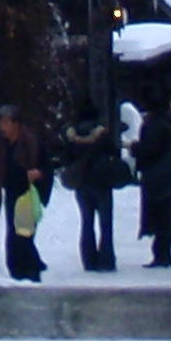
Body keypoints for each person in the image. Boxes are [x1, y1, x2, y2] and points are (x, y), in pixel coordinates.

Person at [0, 100, 53, 281]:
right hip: (11, 194)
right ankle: (20, 270)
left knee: (23, 234)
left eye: (5, 122)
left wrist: (38, 173)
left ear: (15, 123)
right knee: (13, 233)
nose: (2, 127)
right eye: (0, 123)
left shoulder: (31, 143)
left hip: (26, 194)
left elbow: (47, 167)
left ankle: (30, 271)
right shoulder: (1, 145)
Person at [61, 99, 128, 273]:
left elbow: (66, 159)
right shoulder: (102, 135)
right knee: (106, 223)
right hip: (102, 184)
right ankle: (106, 260)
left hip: (82, 185)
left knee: (86, 222)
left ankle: (89, 260)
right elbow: (114, 154)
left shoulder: (72, 137)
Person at [135, 89, 171, 269]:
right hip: (168, 174)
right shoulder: (167, 123)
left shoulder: (152, 125)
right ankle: (164, 253)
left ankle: (161, 254)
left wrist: (136, 149)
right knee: (167, 213)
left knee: (158, 214)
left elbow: (149, 149)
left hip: (155, 175)